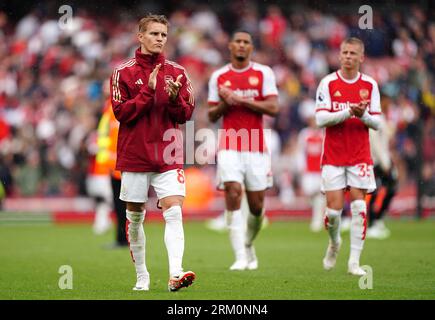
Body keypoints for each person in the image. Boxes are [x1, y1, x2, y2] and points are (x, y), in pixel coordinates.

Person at [110, 14, 195, 291]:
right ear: (141, 36)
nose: (160, 39)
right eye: (155, 34)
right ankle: (142, 276)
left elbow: (185, 114)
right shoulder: (123, 72)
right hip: (135, 155)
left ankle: (175, 274)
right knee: (135, 218)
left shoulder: (178, 72)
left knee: (174, 211)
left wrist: (174, 99)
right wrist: (148, 91)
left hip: (168, 154)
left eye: (163, 35)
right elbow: (121, 113)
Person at [208, 30, 279, 271]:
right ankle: (239, 255)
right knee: (233, 191)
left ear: (251, 47)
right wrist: (224, 103)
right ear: (230, 45)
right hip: (229, 143)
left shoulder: (263, 73)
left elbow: (273, 108)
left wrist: (240, 100)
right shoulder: (218, 76)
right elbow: (210, 114)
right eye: (237, 41)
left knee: (257, 207)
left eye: (246, 42)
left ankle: (248, 243)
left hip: (257, 146)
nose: (241, 45)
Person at [315, 37, 381, 276]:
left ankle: (354, 261)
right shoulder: (328, 83)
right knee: (333, 213)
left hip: (360, 156)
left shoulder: (370, 85)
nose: (348, 57)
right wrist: (348, 111)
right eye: (345, 52)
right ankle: (334, 243)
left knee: (359, 208)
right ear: (339, 55)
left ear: (361, 57)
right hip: (333, 155)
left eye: (353, 53)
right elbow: (320, 119)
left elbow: (378, 123)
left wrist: (362, 115)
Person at [96, 96, 128, 248]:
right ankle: (123, 237)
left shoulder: (114, 107)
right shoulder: (111, 106)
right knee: (120, 204)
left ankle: (124, 238)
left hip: (122, 164)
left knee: (123, 204)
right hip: (115, 163)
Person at [367, 94, 398, 239]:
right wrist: (385, 162)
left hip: (383, 160)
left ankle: (377, 219)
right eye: (387, 101)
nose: (389, 104)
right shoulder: (376, 117)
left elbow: (385, 139)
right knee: (376, 190)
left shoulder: (383, 118)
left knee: (389, 188)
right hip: (376, 161)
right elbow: (375, 143)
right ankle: (373, 223)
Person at [296, 98, 325, 232]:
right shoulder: (304, 134)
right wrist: (301, 167)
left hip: (320, 170)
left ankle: (317, 220)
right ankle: (317, 216)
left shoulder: (323, 134)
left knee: (320, 195)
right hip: (308, 170)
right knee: (310, 194)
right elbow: (300, 151)